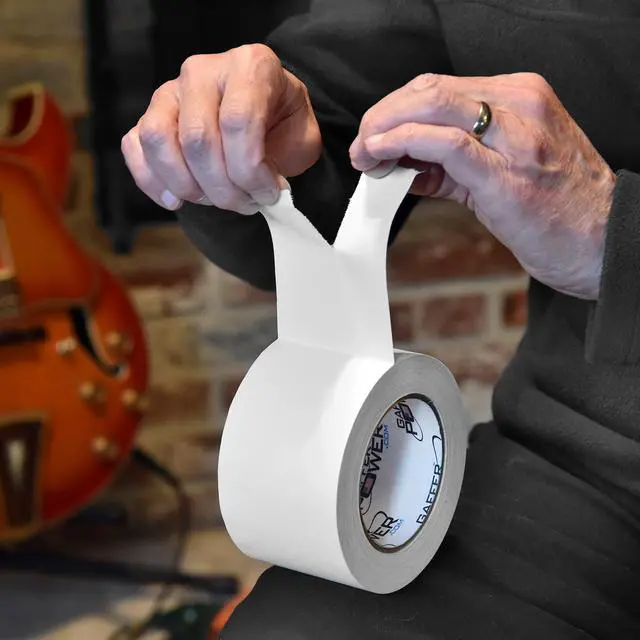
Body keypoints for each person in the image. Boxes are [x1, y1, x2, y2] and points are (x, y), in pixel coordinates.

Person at [121, 1, 640, 637]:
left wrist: (613, 236)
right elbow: (334, 123)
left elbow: (609, 233)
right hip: (585, 462)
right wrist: (237, 142)